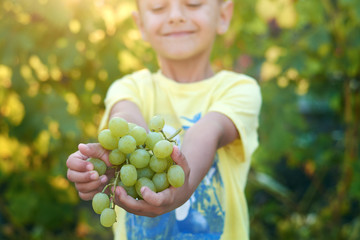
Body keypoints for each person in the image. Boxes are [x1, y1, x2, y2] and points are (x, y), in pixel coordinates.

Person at [66, 0, 262, 239]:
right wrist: (96, 169)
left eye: (193, 3)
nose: (175, 16)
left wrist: (184, 186)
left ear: (223, 15)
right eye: (158, 7)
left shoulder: (239, 89)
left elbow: (209, 131)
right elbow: (125, 120)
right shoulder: (130, 87)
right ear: (140, 25)